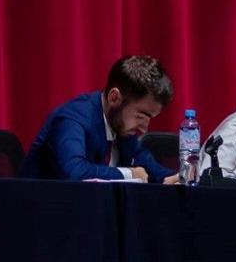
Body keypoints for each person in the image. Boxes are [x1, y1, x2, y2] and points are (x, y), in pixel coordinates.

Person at [21, 55, 176, 182]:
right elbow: (74, 172)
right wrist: (129, 174)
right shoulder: (73, 119)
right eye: (141, 116)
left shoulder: (121, 125)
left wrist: (171, 177)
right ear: (114, 98)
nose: (144, 129)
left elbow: (142, 159)